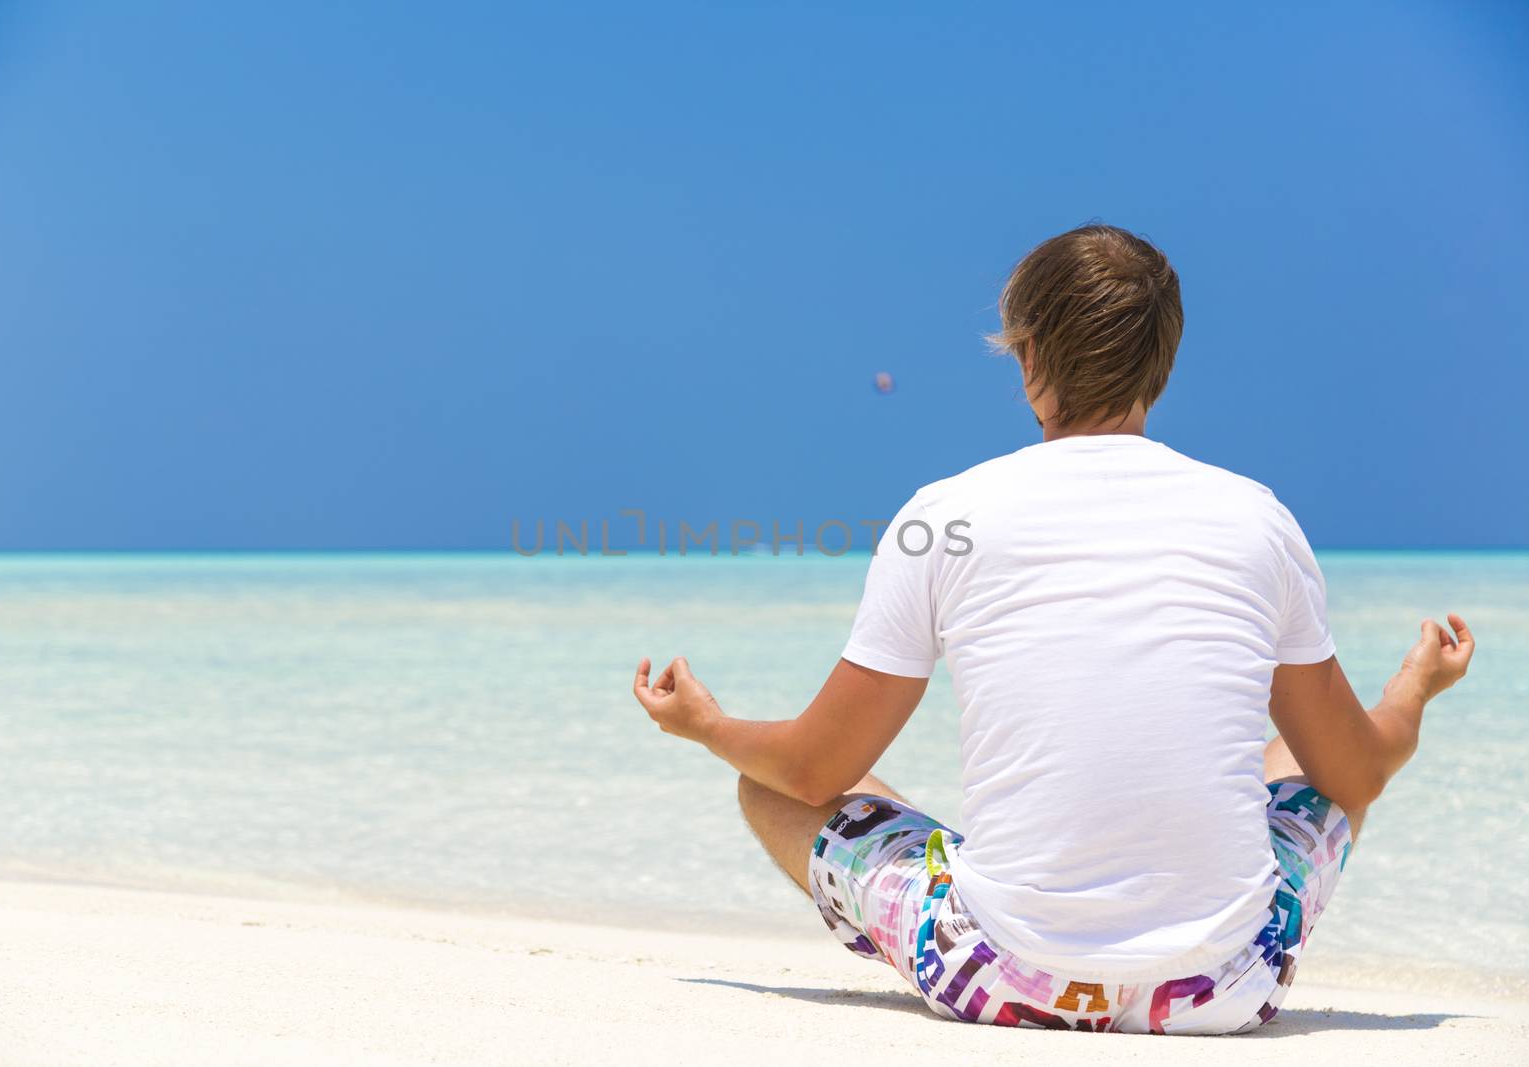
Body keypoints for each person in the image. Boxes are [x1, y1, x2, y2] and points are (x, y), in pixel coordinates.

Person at [630, 224, 1474, 1035]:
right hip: (1222, 986)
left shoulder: (942, 518)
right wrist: (1415, 686)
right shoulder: (1259, 522)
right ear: (1162, 365)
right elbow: (1356, 773)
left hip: (999, 975)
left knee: (768, 784)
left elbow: (815, 769)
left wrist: (706, 726)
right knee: (1308, 763)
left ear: (1029, 359)